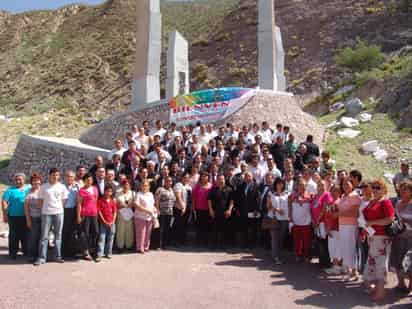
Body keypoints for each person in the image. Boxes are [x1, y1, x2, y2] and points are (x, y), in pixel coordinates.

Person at [363, 179, 394, 301]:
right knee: (373, 263)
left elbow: (390, 219)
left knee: (380, 264)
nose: (375, 190)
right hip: (372, 237)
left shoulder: (385, 202)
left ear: (384, 190)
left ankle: (381, 293)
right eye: (374, 187)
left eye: (378, 187)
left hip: (382, 238)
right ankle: (376, 288)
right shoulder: (372, 202)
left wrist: (372, 223)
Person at [35, 168, 69, 265]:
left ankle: (57, 256)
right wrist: (45, 209)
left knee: (58, 235)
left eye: (57, 175)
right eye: (53, 174)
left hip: (58, 213)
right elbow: (40, 200)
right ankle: (42, 258)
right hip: (46, 214)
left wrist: (58, 208)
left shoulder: (62, 187)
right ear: (49, 175)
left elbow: (64, 200)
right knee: (44, 236)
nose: (55, 176)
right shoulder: (44, 187)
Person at [2, 173, 31, 260]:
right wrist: (4, 215)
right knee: (14, 235)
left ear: (24, 180)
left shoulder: (29, 188)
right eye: (16, 179)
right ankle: (13, 253)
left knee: (25, 235)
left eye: (20, 179)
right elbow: (4, 202)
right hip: (13, 216)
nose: (18, 181)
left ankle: (25, 251)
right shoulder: (10, 190)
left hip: (26, 216)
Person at [390, 180, 412, 294]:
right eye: (401, 189)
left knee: (409, 262)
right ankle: (400, 283)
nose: (402, 191)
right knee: (398, 260)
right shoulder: (397, 203)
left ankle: (411, 286)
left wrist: (406, 220)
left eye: (405, 189)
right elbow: (393, 219)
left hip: (410, 238)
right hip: (398, 237)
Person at [338, 178, 361, 281]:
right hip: (342, 224)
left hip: (351, 225)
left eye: (347, 184)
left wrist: (340, 213)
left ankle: (354, 271)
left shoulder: (355, 196)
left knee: (351, 247)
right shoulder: (343, 196)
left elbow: (355, 212)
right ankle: (348, 270)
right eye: (343, 184)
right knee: (345, 247)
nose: (345, 186)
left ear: (352, 185)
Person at [208, 174, 234, 249]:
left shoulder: (229, 189)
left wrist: (229, 210)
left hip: (225, 212)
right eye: (219, 179)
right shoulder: (213, 189)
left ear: (224, 180)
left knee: (224, 229)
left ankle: (223, 245)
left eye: (222, 179)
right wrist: (211, 210)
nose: (221, 181)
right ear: (216, 180)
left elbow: (232, 201)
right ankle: (214, 245)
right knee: (214, 229)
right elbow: (209, 200)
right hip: (215, 212)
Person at [289, 179, 312, 262]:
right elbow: (290, 208)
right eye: (300, 184)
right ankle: (298, 255)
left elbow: (312, 207)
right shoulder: (291, 196)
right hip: (296, 221)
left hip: (306, 222)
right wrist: (290, 219)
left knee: (307, 241)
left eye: (303, 185)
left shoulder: (310, 195)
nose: (302, 186)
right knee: (297, 241)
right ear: (297, 186)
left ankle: (306, 255)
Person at [266, 177, 289, 264]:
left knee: (281, 238)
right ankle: (276, 257)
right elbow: (268, 206)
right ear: (275, 184)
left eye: (281, 183)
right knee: (274, 238)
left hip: (285, 219)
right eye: (278, 183)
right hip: (274, 218)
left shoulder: (287, 193)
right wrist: (277, 210)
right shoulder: (270, 193)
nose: (280, 184)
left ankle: (277, 254)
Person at [77, 174, 99, 261]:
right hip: (85, 215)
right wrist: (78, 216)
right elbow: (79, 204)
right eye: (87, 180)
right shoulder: (81, 191)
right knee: (85, 233)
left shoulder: (95, 189)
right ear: (84, 181)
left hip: (94, 214)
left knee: (95, 232)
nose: (89, 181)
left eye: (91, 179)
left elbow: (96, 201)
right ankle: (86, 252)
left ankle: (93, 250)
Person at [237, 172, 260, 248]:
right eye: (246, 176)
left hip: (252, 210)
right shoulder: (241, 186)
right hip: (243, 210)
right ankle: (244, 243)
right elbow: (239, 199)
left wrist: (256, 209)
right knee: (244, 227)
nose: (248, 178)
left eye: (249, 176)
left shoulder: (256, 186)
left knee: (253, 228)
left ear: (252, 177)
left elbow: (258, 199)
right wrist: (238, 209)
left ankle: (252, 244)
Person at [323, 185, 342, 275]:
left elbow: (334, 217)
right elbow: (326, 216)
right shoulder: (330, 203)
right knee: (332, 248)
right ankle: (335, 266)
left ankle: (337, 267)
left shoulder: (339, 202)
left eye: (337, 191)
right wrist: (327, 227)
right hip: (330, 228)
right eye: (333, 191)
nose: (335, 193)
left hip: (337, 228)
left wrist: (329, 227)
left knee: (336, 247)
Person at [134, 180, 157, 253]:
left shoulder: (150, 194)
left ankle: (146, 247)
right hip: (140, 216)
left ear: (149, 187)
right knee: (141, 233)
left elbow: (152, 204)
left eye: (146, 185)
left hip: (149, 216)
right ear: (141, 186)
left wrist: (154, 210)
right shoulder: (138, 194)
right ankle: (140, 248)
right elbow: (136, 205)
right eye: (143, 185)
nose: (145, 187)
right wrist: (147, 210)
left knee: (148, 233)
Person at [96, 186, 117, 262]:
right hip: (103, 223)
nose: (108, 193)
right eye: (107, 191)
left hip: (112, 222)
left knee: (111, 238)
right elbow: (99, 212)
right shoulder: (100, 201)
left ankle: (108, 253)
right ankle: (99, 254)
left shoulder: (112, 201)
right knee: (102, 238)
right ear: (104, 192)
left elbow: (115, 212)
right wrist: (104, 221)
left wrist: (113, 221)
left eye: (110, 191)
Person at [24, 173, 42, 262]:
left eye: (38, 181)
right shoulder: (28, 192)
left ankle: (40, 255)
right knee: (33, 237)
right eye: (34, 181)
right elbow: (26, 207)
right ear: (31, 182)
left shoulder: (43, 191)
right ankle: (31, 255)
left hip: (44, 218)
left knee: (42, 237)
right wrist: (28, 220)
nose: (37, 183)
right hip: (33, 218)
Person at [155, 176, 176, 249]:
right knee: (160, 229)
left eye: (170, 181)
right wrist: (157, 209)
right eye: (167, 181)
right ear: (164, 181)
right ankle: (158, 245)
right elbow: (157, 200)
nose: (169, 182)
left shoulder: (172, 190)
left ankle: (164, 245)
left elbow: (173, 201)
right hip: (162, 212)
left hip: (170, 213)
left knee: (167, 229)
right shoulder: (160, 189)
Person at [62, 170, 79, 259]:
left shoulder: (76, 187)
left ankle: (72, 252)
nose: (69, 178)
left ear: (74, 178)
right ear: (65, 177)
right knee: (64, 231)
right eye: (68, 176)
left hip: (74, 210)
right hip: (64, 210)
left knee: (73, 232)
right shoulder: (61, 187)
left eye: (71, 177)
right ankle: (63, 252)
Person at [192, 171, 213, 246]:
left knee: (207, 225)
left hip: (208, 209)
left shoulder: (211, 186)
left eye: (206, 176)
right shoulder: (197, 186)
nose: (204, 177)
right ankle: (198, 241)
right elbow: (194, 198)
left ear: (208, 177)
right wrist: (193, 208)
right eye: (203, 176)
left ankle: (206, 241)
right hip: (198, 209)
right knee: (199, 225)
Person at [115, 179, 135, 252]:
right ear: (122, 185)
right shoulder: (117, 193)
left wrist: (130, 204)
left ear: (130, 185)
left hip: (129, 215)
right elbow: (115, 203)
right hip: (121, 214)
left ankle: (128, 245)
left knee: (129, 231)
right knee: (120, 231)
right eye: (124, 184)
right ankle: (120, 246)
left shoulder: (133, 193)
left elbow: (135, 204)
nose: (126, 186)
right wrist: (120, 205)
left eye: (127, 184)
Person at [172, 173, 192, 246]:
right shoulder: (178, 185)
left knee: (184, 225)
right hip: (179, 208)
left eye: (188, 178)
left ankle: (182, 241)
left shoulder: (189, 187)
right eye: (185, 177)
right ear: (182, 178)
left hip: (187, 209)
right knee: (178, 225)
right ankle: (176, 241)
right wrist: (182, 207)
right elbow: (178, 196)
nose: (186, 179)